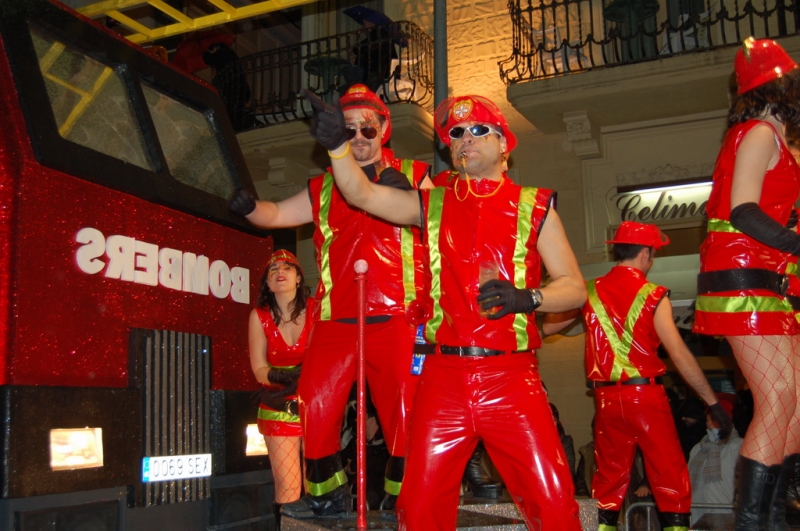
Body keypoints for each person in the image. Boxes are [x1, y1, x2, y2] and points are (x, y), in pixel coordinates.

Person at [305, 90, 586, 530]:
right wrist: (338, 147)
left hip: (510, 378)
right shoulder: (432, 202)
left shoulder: (535, 205)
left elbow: (574, 288)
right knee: (418, 509)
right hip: (443, 379)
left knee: (552, 505)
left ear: (504, 144)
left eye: (478, 130)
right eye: (455, 133)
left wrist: (528, 297)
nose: (464, 138)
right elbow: (360, 193)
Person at [229, 83, 432, 518]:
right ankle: (326, 494)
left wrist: (416, 199)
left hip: (397, 314)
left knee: (404, 407)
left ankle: (405, 495)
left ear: (384, 130)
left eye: (367, 129)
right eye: (348, 129)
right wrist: (250, 208)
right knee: (314, 402)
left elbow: (445, 224)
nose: (358, 137)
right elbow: (277, 214)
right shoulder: (323, 188)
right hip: (336, 317)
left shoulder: (416, 174)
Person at [553, 221, 732, 531]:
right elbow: (679, 354)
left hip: (606, 399)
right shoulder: (653, 294)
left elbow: (549, 327)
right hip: (646, 396)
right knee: (669, 470)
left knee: (609, 477)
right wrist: (712, 402)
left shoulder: (589, 290)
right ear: (646, 253)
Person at [692, 37, 800, 530]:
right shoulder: (758, 133)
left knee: (792, 397)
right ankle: (753, 522)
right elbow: (743, 210)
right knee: (778, 395)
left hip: (767, 275)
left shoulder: (774, 136)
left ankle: (773, 517)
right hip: (744, 273)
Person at [249, 249, 314, 521]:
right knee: (288, 488)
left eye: (287, 267)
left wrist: (305, 378)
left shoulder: (316, 309)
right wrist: (284, 378)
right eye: (273, 270)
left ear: (298, 277)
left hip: (314, 405)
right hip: (278, 406)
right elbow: (258, 369)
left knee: (318, 488)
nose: (280, 272)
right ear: (267, 282)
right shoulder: (259, 316)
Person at [687, 395, 743, 525]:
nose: (709, 422)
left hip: (724, 513)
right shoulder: (698, 448)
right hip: (697, 514)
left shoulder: (737, 446)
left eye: (714, 418)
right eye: (708, 417)